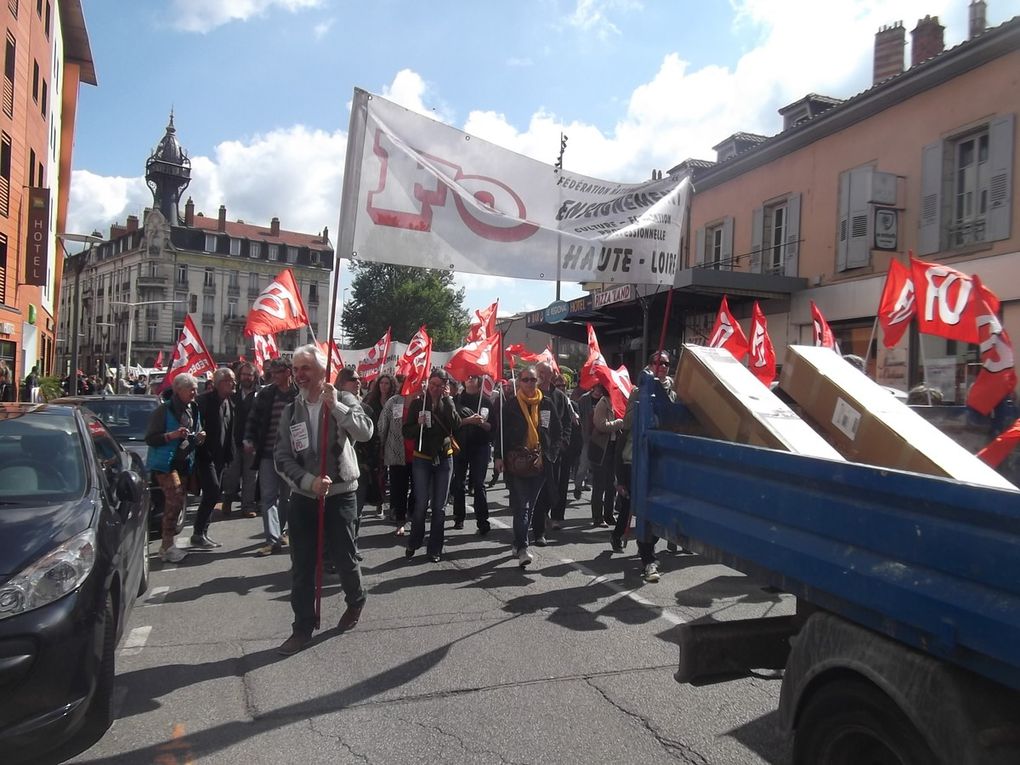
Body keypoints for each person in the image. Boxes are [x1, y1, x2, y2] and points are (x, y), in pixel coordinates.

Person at [274, 344, 372, 656]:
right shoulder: (291, 412)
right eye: (296, 368)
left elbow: (366, 432)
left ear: (321, 371)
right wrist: (309, 482)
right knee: (302, 566)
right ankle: (302, 627)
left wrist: (337, 406)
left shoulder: (343, 398)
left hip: (341, 494)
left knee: (344, 557)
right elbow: (282, 457)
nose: (299, 374)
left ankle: (356, 598)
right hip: (304, 496)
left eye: (305, 368)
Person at [612, 351, 676, 582]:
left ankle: (647, 549)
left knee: (658, 513)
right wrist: (644, 400)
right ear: (650, 365)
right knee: (642, 511)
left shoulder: (674, 394)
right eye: (657, 363)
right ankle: (648, 559)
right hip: (638, 460)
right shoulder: (639, 391)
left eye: (666, 363)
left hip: (662, 461)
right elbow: (628, 424)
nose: (662, 367)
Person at [492, 367, 562, 568]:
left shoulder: (547, 403)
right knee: (522, 506)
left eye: (533, 379)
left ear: (538, 381)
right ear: (519, 382)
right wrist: (498, 457)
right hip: (518, 463)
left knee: (530, 506)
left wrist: (550, 455)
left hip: (540, 464)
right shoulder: (511, 405)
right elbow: (501, 434)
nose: (530, 383)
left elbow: (555, 432)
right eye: (525, 380)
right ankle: (523, 547)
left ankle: (517, 541)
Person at [144, 373, 205, 563]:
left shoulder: (193, 408)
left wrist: (200, 435)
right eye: (191, 389)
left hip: (185, 463)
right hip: (165, 464)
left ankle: (168, 544)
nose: (195, 392)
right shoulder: (163, 410)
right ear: (178, 390)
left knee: (178, 502)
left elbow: (198, 429)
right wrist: (172, 435)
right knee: (175, 499)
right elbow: (151, 438)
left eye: (195, 389)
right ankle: (166, 546)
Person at [402, 369, 461, 562]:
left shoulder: (448, 402)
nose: (435, 389)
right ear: (428, 383)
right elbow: (407, 431)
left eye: (440, 385)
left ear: (445, 386)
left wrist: (448, 402)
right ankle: (414, 540)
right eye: (433, 384)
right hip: (422, 457)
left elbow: (456, 424)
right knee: (421, 504)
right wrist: (418, 424)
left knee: (440, 507)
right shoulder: (419, 403)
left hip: (444, 457)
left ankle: (435, 547)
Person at [245, 357, 298, 557]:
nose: (274, 376)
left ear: (288, 372)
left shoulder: (298, 395)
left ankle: (280, 531)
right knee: (269, 498)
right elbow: (253, 419)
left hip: (291, 457)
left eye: (277, 372)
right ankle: (272, 539)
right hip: (267, 453)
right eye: (272, 373)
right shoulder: (266, 394)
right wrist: (249, 439)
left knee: (286, 498)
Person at [192, 367, 236, 549]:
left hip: (220, 457)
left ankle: (202, 533)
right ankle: (197, 533)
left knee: (212, 494)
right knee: (213, 492)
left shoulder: (229, 403)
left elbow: (229, 430)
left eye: (233, 380)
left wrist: (229, 455)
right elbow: (195, 425)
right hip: (205, 455)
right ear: (217, 384)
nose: (232, 383)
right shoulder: (203, 401)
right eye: (227, 380)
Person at [532, 361, 572, 543]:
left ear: (551, 375)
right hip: (534, 451)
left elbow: (566, 422)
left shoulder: (560, 397)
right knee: (538, 492)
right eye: (538, 371)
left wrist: (563, 441)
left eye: (544, 372)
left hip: (554, 451)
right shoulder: (531, 395)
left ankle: (549, 515)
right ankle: (538, 531)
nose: (541, 375)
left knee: (552, 490)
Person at [451, 375, 494, 535]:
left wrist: (482, 423)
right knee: (459, 483)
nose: (469, 379)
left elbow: (492, 428)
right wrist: (469, 421)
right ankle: (459, 517)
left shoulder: (486, 401)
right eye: (467, 376)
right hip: (460, 446)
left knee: (479, 484)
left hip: (480, 446)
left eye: (473, 377)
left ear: (479, 380)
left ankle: (482, 521)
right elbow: (451, 423)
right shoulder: (456, 400)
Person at [221, 361, 260, 518]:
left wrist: (254, 441)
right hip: (233, 441)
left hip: (252, 443)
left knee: (250, 477)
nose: (246, 377)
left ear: (254, 377)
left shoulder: (259, 394)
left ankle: (247, 506)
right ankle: (228, 500)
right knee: (231, 474)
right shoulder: (233, 393)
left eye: (249, 375)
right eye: (243, 374)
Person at [378, 375, 412, 535]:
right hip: (397, 452)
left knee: (419, 490)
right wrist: (381, 446)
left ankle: (411, 513)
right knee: (399, 488)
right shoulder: (394, 401)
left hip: (418, 455)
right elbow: (383, 425)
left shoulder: (423, 401)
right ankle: (400, 520)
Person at [588, 383, 622, 527]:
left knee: (611, 484)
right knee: (599, 484)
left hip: (614, 448)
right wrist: (618, 423)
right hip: (602, 449)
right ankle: (597, 517)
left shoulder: (617, 403)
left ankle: (609, 515)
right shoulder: (603, 403)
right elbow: (600, 424)